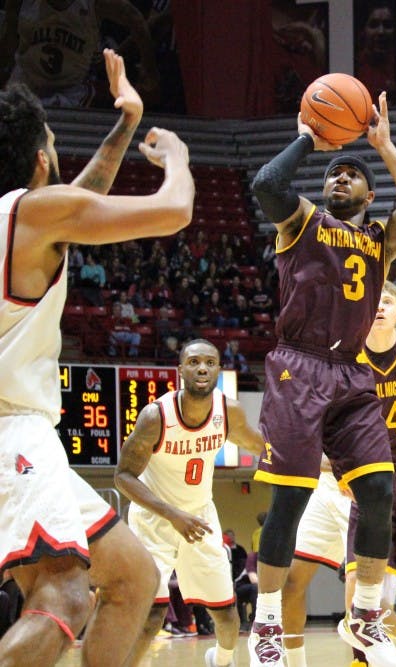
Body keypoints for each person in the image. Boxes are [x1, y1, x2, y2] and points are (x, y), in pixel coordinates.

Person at [0, 50, 191, 666]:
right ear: (39, 160)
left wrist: (126, 122)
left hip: (22, 435)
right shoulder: (33, 213)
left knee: (135, 578)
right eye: (55, 143)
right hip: (11, 434)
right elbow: (175, 211)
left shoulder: (22, 218)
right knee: (66, 596)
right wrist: (177, 160)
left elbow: (79, 203)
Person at [248, 87, 396, 667]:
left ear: (370, 193)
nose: (340, 179)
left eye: (352, 174)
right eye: (334, 173)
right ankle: (267, 627)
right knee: (289, 502)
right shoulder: (302, 221)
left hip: (353, 372)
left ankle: (367, 617)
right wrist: (310, 135)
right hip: (298, 365)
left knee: (378, 490)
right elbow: (266, 187)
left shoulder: (381, 239)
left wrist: (381, 144)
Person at [280, 281, 396, 667]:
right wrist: (345, 471)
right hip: (371, 477)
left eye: (387, 302)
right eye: (373, 302)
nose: (380, 307)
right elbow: (330, 425)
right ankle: (362, 662)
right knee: (356, 582)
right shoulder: (349, 363)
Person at [114, 339, 265, 667]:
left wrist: (317, 460)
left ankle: (221, 661)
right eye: (194, 361)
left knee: (226, 618)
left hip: (200, 519)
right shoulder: (155, 416)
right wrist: (172, 515)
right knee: (151, 616)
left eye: (210, 362)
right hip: (155, 519)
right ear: (180, 369)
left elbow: (263, 448)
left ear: (218, 369)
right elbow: (123, 477)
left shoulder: (228, 411)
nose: (202, 368)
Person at [0, 0, 159, 108]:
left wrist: (149, 64)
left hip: (70, 89)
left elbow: (135, 18)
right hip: (25, 83)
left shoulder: (93, 3)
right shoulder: (19, 2)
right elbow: (8, 46)